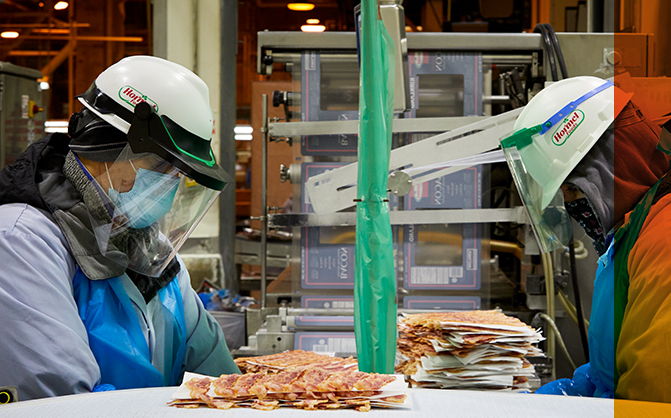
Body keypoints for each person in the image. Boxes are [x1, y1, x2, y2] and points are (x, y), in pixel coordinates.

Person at [0, 56, 240, 400]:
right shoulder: (21, 243)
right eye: (162, 168)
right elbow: (60, 401)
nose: (169, 188)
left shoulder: (150, 252)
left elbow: (219, 380)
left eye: (178, 177)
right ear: (107, 146)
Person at [500, 75, 671, 401]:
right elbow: (606, 373)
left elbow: (652, 398)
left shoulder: (663, 243)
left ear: (617, 166)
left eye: (575, 189)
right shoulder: (629, 236)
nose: (571, 206)